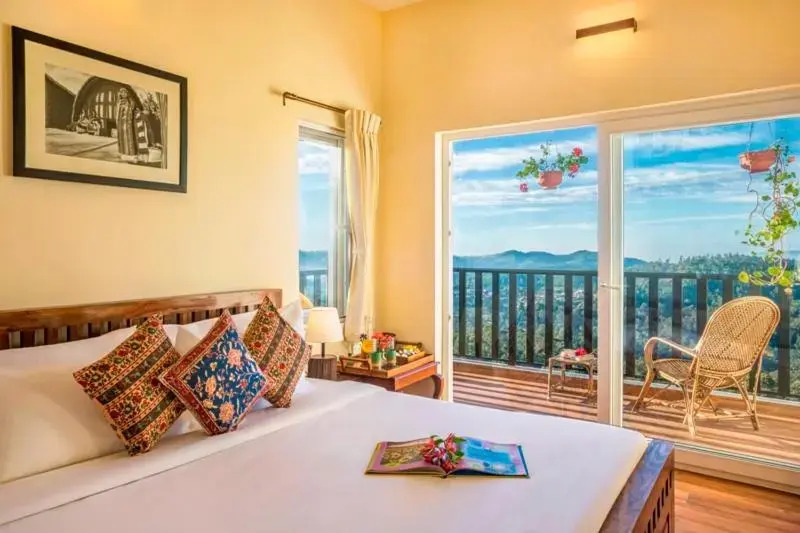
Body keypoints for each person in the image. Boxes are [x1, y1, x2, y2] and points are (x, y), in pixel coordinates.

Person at [115, 87, 139, 162]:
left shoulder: (130, 101)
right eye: (122, 92)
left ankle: (132, 154)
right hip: (120, 123)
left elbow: (132, 109)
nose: (123, 94)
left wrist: (128, 115)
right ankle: (123, 153)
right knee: (121, 138)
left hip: (128, 122)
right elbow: (117, 112)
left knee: (129, 137)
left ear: (127, 93)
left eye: (125, 92)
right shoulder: (119, 102)